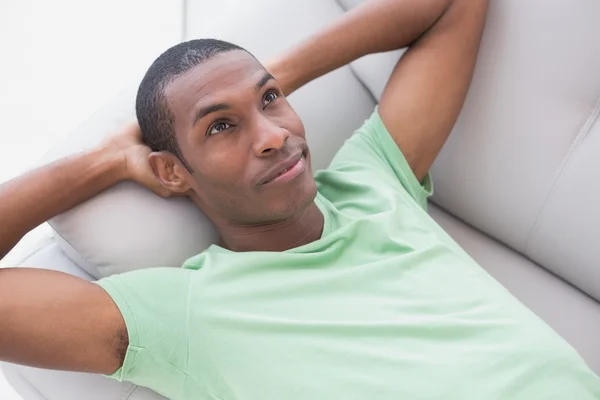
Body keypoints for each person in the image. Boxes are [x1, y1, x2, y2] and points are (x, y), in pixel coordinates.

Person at [0, 0, 599, 399]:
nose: (272, 137)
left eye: (270, 102)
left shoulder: (376, 179)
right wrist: (107, 160)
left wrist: (266, 76)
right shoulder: (185, 313)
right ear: (172, 171)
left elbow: (454, 7)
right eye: (220, 127)